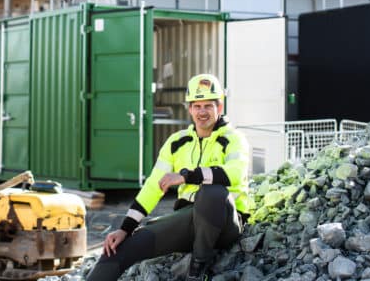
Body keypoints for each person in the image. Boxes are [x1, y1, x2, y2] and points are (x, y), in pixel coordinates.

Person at [86, 74, 252, 281]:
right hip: (189, 220)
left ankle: (197, 270)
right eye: (197, 106)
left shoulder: (234, 139)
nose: (202, 112)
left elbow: (234, 173)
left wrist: (187, 177)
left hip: (225, 223)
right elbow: (153, 187)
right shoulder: (176, 142)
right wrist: (125, 228)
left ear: (219, 107)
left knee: (212, 192)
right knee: (119, 249)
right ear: (189, 108)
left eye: (208, 106)